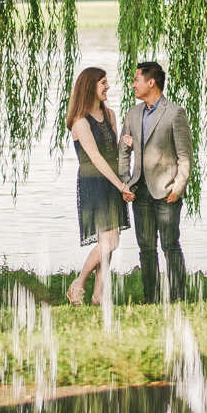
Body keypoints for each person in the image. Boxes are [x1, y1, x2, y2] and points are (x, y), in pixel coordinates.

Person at [118, 61, 194, 303]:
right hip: (139, 192)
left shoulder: (175, 113)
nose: (133, 84)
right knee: (146, 249)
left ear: (151, 82)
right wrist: (125, 183)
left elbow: (185, 156)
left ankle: (177, 297)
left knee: (170, 245)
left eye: (137, 80)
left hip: (166, 192)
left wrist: (178, 187)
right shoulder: (132, 113)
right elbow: (123, 152)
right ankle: (151, 298)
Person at [66, 67, 134, 306]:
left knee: (109, 244)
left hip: (112, 181)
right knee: (109, 242)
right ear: (90, 87)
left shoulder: (110, 115)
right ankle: (78, 284)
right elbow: (95, 158)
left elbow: (115, 152)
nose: (107, 87)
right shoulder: (80, 122)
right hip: (94, 182)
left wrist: (130, 145)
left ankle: (98, 297)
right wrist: (121, 186)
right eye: (103, 83)